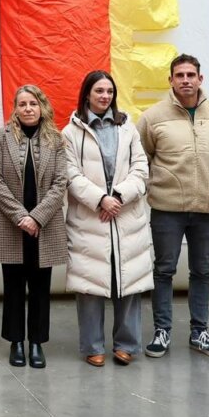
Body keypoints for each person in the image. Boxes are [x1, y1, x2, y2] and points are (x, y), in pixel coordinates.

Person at [137, 54, 209, 360]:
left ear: (200, 79)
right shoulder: (152, 118)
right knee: (164, 270)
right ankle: (161, 331)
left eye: (191, 74)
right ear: (170, 80)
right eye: (179, 75)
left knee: (201, 271)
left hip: (208, 208)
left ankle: (199, 333)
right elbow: (144, 157)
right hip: (167, 209)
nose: (186, 80)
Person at [63, 70, 152, 367]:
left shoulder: (128, 129)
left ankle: (127, 344)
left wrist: (119, 197)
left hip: (126, 215)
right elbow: (70, 175)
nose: (105, 96)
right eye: (99, 91)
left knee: (128, 280)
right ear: (87, 93)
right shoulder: (71, 132)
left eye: (109, 92)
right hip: (91, 217)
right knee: (91, 282)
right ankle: (92, 345)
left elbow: (141, 169)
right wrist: (100, 199)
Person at [0, 85, 68, 369]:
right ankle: (15, 342)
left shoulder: (56, 140)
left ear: (41, 106)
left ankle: (36, 343)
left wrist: (37, 218)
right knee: (12, 287)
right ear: (15, 108)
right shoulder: (0, 138)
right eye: (22, 104)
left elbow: (60, 183)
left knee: (40, 287)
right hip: (11, 225)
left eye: (33, 103)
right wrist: (22, 216)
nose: (28, 109)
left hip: (44, 226)